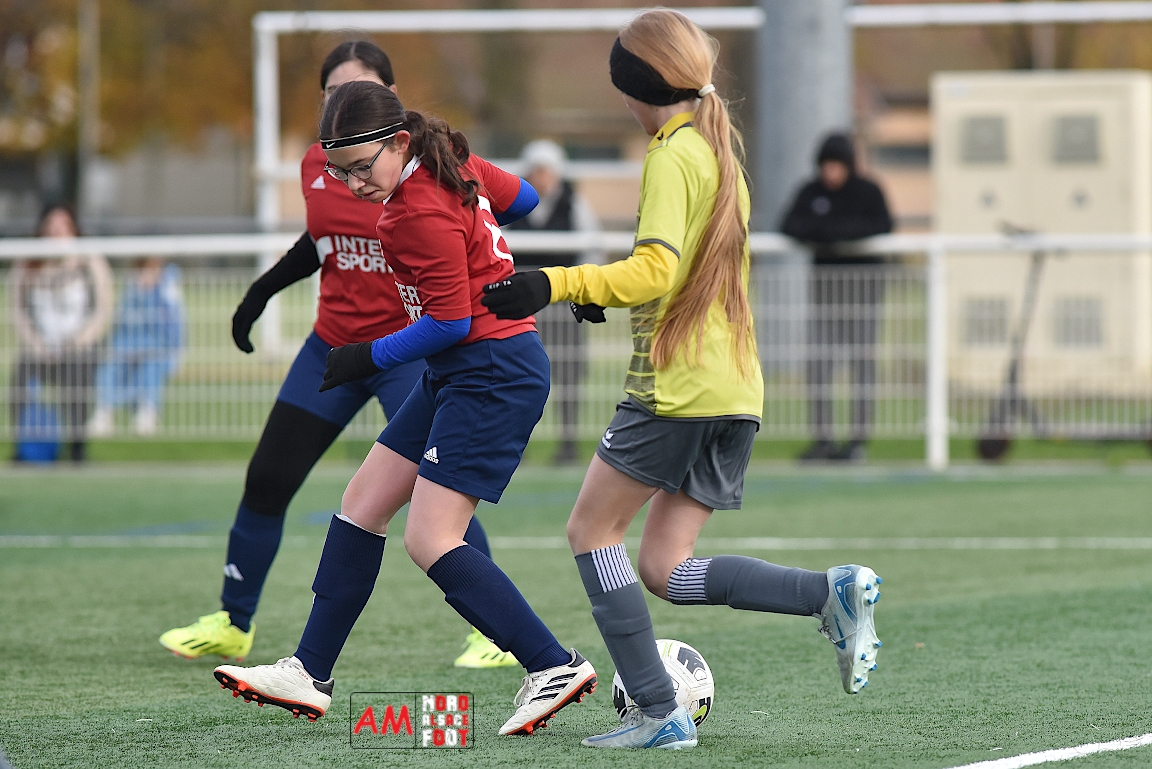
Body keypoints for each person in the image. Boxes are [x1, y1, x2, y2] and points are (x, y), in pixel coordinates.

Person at [483, 10, 883, 749]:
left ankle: (656, 710)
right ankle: (827, 592)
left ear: (632, 87)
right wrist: (606, 295)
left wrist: (556, 284)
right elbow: (680, 277)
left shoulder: (671, 154)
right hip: (734, 391)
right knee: (665, 567)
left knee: (590, 530)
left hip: (676, 390)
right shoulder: (716, 151)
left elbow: (656, 269)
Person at [212, 81, 596, 737]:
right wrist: (476, 237)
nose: (355, 183)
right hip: (462, 368)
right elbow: (524, 200)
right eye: (341, 171)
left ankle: (552, 664)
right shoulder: (447, 158)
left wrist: (366, 355)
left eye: (364, 167)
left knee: (430, 538)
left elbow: (448, 322)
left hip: (491, 372)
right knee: (362, 503)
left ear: (398, 142)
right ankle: (309, 671)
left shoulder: (412, 210)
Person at [160, 41, 513, 670]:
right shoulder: (317, 164)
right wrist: (261, 291)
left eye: (358, 87)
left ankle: (493, 631)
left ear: (391, 100)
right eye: (331, 92)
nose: (342, 101)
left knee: (438, 491)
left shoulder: (427, 176)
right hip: (332, 347)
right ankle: (233, 622)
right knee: (268, 478)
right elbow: (320, 238)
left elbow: (485, 224)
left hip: (407, 350)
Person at [780, 133, 893, 463]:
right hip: (825, 295)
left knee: (862, 366)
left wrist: (833, 232)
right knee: (819, 366)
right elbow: (790, 224)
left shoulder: (868, 191)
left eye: (837, 165)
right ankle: (823, 440)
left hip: (864, 293)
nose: (831, 172)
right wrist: (827, 233)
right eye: (826, 165)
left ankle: (857, 441)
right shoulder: (810, 191)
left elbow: (883, 225)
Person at [505, 140, 602, 464]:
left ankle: (568, 444)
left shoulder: (575, 205)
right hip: (522, 307)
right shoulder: (513, 205)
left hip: (564, 306)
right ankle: (515, 445)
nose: (541, 177)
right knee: (516, 376)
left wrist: (585, 293)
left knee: (568, 376)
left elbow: (592, 250)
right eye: (535, 170)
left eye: (546, 170)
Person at [9, 204, 112, 462]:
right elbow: (18, 312)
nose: (57, 232)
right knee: (21, 373)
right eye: (51, 227)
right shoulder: (27, 263)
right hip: (42, 349)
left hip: (79, 348)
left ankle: (77, 446)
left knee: (77, 373)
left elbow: (103, 310)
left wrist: (77, 342)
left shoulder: (89, 261)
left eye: (63, 226)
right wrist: (38, 346)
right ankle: (24, 447)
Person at [89, 258, 184, 437]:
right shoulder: (130, 291)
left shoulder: (165, 292)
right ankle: (104, 411)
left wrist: (175, 354)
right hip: (124, 346)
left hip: (154, 347)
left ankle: (147, 412)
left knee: (151, 368)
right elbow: (119, 323)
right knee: (109, 367)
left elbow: (176, 325)